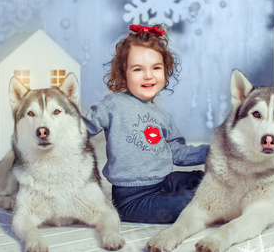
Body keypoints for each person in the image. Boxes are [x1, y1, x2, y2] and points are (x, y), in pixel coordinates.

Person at [83, 24, 209, 223]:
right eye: (138, 69)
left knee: (199, 179)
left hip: (162, 183)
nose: (148, 75)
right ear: (124, 74)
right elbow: (81, 129)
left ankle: (229, 193)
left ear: (165, 72)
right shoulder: (114, 104)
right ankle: (221, 204)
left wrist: (216, 150)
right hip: (132, 200)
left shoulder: (163, 118)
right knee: (191, 201)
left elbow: (178, 153)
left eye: (156, 68)